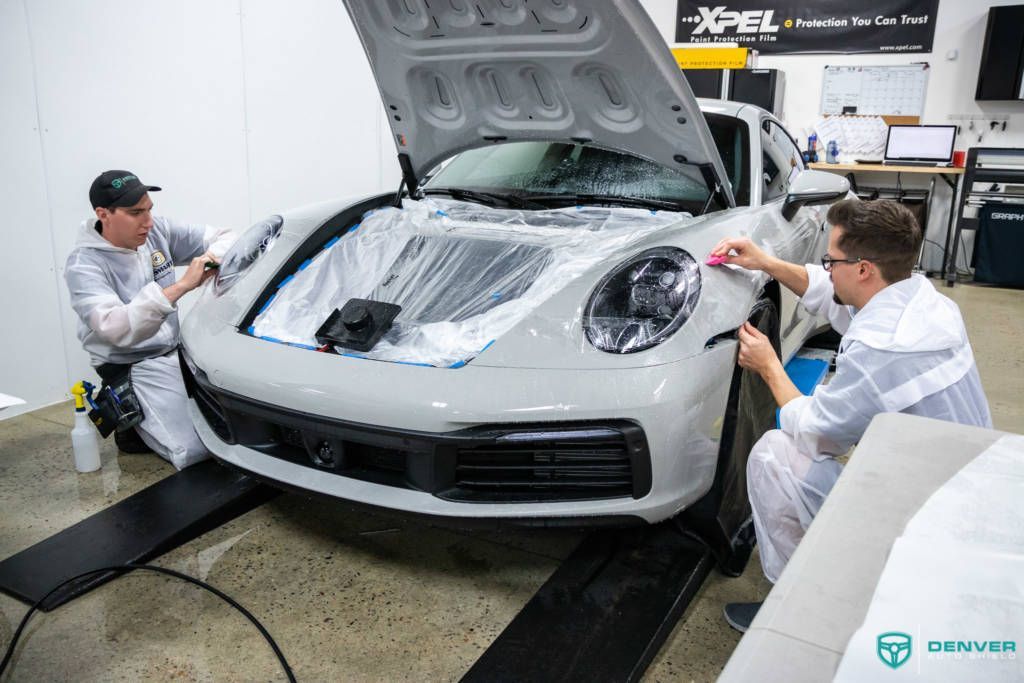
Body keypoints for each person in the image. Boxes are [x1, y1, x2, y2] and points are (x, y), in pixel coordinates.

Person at [709, 199, 991, 632]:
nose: (827, 267)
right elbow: (832, 292)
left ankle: (798, 612)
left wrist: (769, 366)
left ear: (863, 269)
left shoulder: (884, 349)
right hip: (967, 499)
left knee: (774, 453)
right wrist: (765, 262)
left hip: (928, 528)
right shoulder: (923, 301)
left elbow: (819, 433)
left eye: (832, 258)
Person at [65, 170, 236, 469]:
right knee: (196, 449)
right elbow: (117, 328)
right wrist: (183, 285)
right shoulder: (84, 265)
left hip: (176, 351)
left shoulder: (157, 232)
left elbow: (228, 237)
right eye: (135, 213)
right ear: (103, 214)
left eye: (149, 210)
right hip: (130, 362)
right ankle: (129, 426)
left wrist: (210, 258)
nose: (148, 221)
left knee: (232, 428)